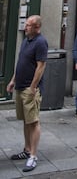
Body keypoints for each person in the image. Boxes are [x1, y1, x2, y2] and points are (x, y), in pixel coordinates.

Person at [6, 15, 48, 173]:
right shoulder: (26, 41)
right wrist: (12, 80)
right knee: (26, 120)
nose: (26, 27)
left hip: (30, 89)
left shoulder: (40, 42)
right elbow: (21, 63)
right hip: (20, 86)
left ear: (37, 27)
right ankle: (27, 149)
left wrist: (33, 87)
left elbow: (41, 66)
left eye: (29, 25)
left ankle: (33, 156)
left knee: (34, 121)